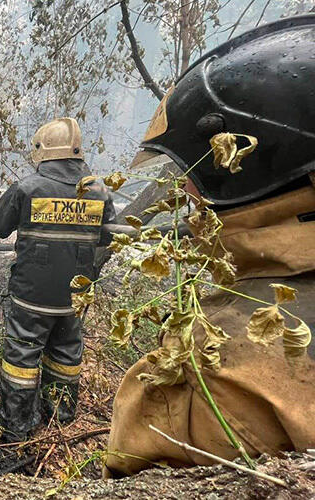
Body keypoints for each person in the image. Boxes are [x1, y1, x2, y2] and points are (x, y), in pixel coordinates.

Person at [105, 15, 315, 477]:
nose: (187, 198)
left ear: (241, 168)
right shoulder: (95, 196)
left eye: (192, 181)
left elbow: (134, 471)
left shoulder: (210, 363)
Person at [0, 117, 116, 439]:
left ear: (43, 151)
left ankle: (16, 426)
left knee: (22, 356)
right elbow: (106, 238)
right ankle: (60, 418)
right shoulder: (99, 191)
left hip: (31, 297)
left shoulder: (27, 188)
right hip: (75, 298)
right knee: (66, 353)